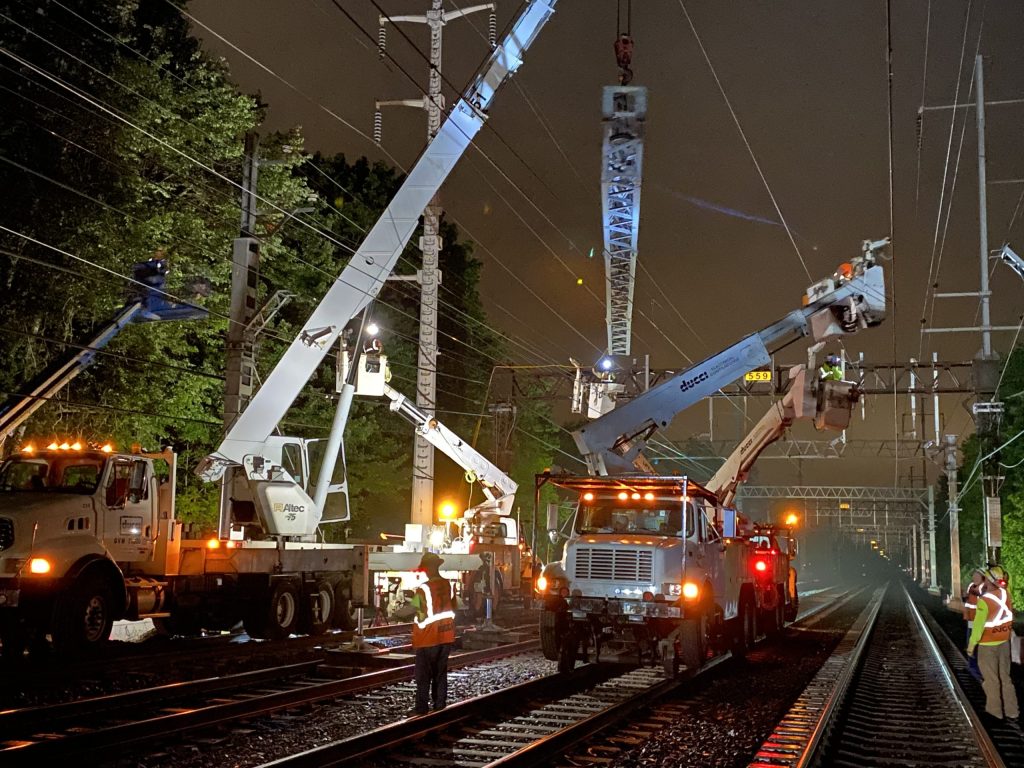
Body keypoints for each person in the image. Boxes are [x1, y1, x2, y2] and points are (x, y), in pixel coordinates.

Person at [968, 565, 1019, 725]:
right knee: (1005, 678)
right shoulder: (1006, 594)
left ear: (988, 580)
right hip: (1004, 643)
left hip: (988, 644)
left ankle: (994, 712)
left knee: (991, 680)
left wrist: (971, 646)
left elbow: (978, 627)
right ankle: (1012, 711)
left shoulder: (984, 601)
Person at [410, 551, 456, 715]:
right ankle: (439, 706)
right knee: (440, 673)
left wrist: (399, 614)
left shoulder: (423, 588)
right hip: (446, 636)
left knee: (423, 675)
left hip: (428, 637)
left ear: (428, 568)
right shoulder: (447, 585)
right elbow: (453, 606)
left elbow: (416, 610)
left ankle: (421, 708)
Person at [963, 567, 985, 681]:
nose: (975, 577)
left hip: (979, 623)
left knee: (976, 647)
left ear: (982, 577)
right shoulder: (971, 586)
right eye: (974, 575)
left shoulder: (983, 588)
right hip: (971, 621)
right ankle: (972, 667)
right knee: (970, 645)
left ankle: (977, 670)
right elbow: (967, 601)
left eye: (977, 576)